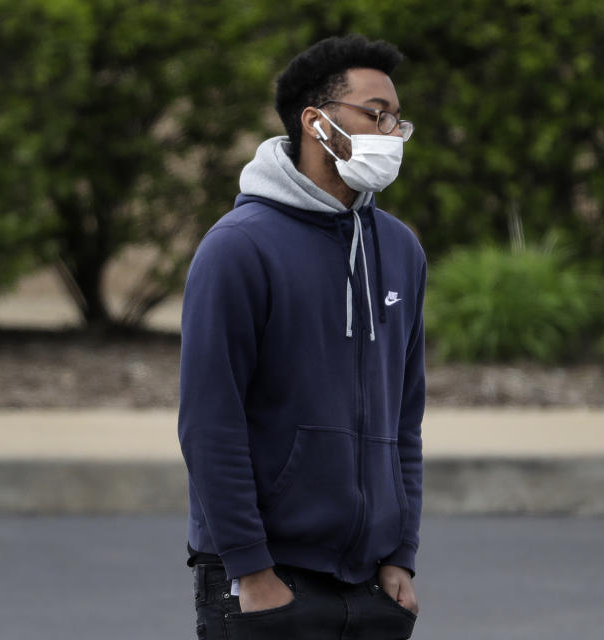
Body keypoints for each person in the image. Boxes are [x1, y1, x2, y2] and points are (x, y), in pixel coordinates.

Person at [177, 34, 425, 640]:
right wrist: (252, 570)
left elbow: (406, 416)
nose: (391, 133)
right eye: (376, 115)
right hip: (268, 584)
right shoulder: (238, 248)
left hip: (372, 585)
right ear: (317, 123)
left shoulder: (399, 249)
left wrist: (401, 555)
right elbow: (210, 423)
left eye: (398, 120)